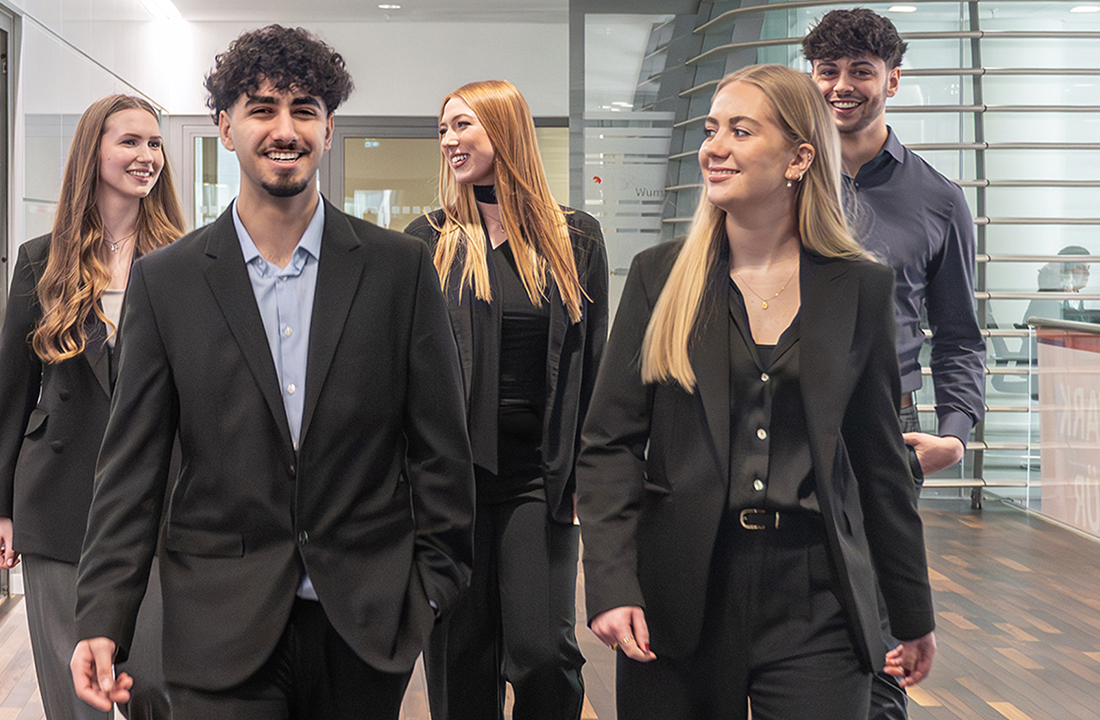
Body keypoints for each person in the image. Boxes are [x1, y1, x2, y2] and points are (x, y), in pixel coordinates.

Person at [68, 25, 475, 720]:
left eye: (304, 110)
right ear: (226, 128)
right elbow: (131, 469)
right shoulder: (166, 283)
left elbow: (441, 449)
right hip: (218, 625)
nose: (284, 129)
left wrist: (432, 589)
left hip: (364, 624)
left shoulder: (398, 270)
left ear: (328, 129)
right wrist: (103, 615)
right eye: (262, 109)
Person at [576, 64, 936, 719]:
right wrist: (610, 581)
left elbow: (880, 461)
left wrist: (912, 614)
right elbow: (610, 445)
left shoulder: (860, 287)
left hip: (818, 597)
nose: (714, 147)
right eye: (711, 130)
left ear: (800, 157)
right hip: (680, 590)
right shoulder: (660, 277)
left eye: (740, 131)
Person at [405, 79, 608, 720]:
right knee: (459, 657)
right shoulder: (427, 239)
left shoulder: (575, 237)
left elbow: (592, 365)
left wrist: (589, 477)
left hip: (537, 482)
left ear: (505, 129)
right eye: (443, 129)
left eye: (462, 125)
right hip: (450, 486)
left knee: (543, 652)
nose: (449, 140)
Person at [0, 94, 184, 720]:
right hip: (59, 500)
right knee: (75, 703)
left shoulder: (185, 259)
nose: (147, 156)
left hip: (160, 501)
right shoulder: (41, 260)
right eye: (130, 142)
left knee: (158, 688)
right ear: (93, 151)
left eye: (154, 143)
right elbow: (11, 391)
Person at [803, 11, 982, 718]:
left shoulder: (938, 199)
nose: (841, 87)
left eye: (861, 72)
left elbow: (959, 335)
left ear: (893, 81)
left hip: (883, 426)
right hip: (782, 416)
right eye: (828, 72)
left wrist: (956, 433)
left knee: (881, 629)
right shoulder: (781, 181)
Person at [1024, 245, 1092, 323]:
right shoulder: (1049, 300)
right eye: (1080, 267)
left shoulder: (1077, 299)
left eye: (1088, 268)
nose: (1087, 273)